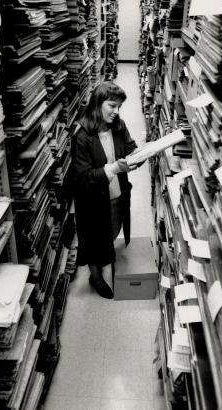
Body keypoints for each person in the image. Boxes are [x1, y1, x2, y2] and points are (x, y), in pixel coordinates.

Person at [71, 81, 138, 299]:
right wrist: (113, 167)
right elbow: (83, 178)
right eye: (112, 106)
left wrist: (138, 157)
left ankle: (102, 261)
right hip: (92, 200)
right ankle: (96, 277)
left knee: (110, 232)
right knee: (92, 239)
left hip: (117, 194)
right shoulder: (81, 137)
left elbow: (130, 148)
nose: (116, 111)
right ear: (98, 104)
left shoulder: (119, 126)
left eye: (119, 106)